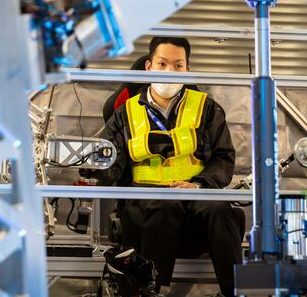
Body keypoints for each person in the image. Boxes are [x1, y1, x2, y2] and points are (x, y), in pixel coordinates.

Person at [89, 36, 244, 296]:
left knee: (222, 210)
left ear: (188, 69)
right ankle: (153, 291)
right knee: (165, 205)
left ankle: (236, 291)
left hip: (194, 194)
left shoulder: (207, 108)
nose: (169, 71)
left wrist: (199, 184)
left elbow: (223, 157)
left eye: (178, 65)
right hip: (145, 199)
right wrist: (94, 172)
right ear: (148, 67)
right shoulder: (125, 112)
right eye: (162, 64)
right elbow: (110, 159)